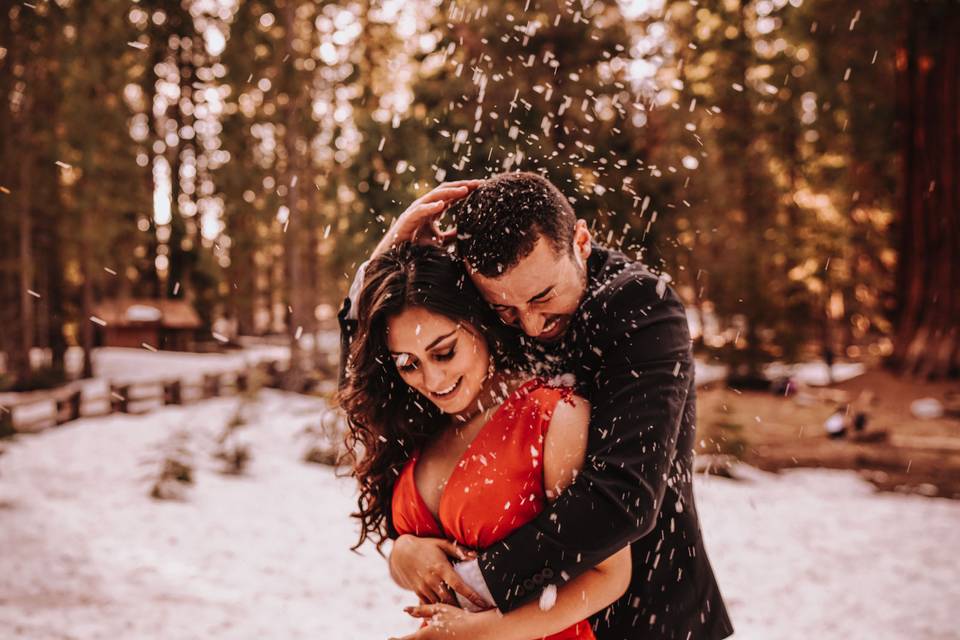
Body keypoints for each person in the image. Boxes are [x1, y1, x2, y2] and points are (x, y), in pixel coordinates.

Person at [339, 173, 733, 639]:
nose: (528, 324)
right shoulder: (496, 298)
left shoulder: (640, 305)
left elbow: (622, 497)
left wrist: (469, 584)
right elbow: (373, 373)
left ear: (581, 241)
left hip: (647, 616)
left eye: (543, 297)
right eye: (504, 311)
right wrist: (385, 263)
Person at [339, 243, 632, 639]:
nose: (433, 381)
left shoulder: (552, 416)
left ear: (477, 321)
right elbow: (443, 568)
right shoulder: (418, 422)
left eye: (444, 352)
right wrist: (404, 552)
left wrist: (481, 633)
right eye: (408, 364)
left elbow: (609, 575)